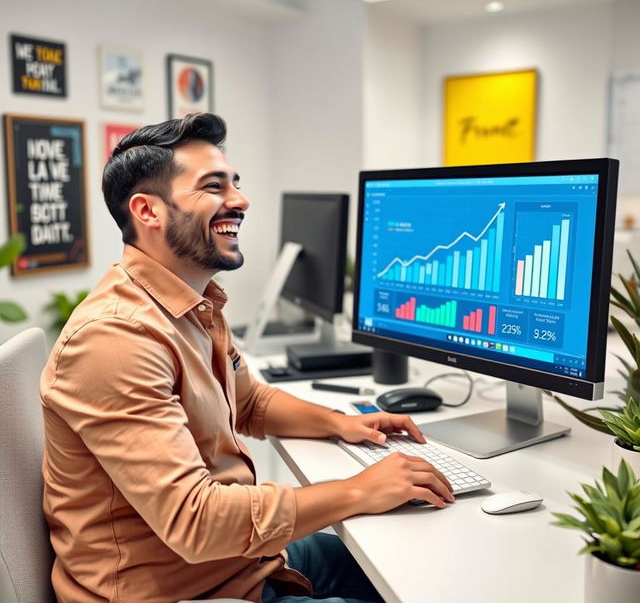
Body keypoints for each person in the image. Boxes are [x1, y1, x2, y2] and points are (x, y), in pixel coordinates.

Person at [40, 113, 454, 603]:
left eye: (235, 183)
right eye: (213, 186)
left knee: (412, 571)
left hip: (235, 565)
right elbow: (194, 521)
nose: (240, 199)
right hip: (176, 591)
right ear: (148, 211)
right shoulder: (115, 339)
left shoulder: (192, 303)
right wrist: (359, 490)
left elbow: (250, 401)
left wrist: (341, 423)